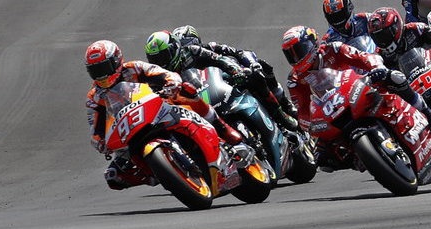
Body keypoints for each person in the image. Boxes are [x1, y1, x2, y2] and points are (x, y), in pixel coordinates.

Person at [281, 25, 431, 170]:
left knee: (396, 78)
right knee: (323, 156)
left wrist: (377, 67)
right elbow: (302, 112)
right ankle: (363, 159)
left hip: (360, 87)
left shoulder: (333, 49)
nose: (296, 58)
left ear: (312, 44)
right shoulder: (294, 80)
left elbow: (364, 57)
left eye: (299, 51)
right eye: (290, 55)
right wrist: (312, 125)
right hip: (332, 111)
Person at [85, 40, 235, 193]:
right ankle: (160, 174)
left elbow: (161, 73)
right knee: (113, 176)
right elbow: (95, 127)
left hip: (157, 107)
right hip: (129, 129)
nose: (101, 74)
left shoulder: (134, 68)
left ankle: (221, 127)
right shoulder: (94, 96)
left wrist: (171, 83)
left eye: (103, 68)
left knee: (187, 92)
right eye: (95, 70)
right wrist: (99, 141)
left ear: (116, 60)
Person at [149, 26, 300, 132]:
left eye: (163, 56)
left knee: (257, 74)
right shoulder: (158, 75)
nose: (161, 62)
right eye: (155, 59)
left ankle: (281, 112)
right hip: (198, 98)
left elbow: (226, 57)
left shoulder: (200, 50)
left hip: (223, 79)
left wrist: (240, 70)